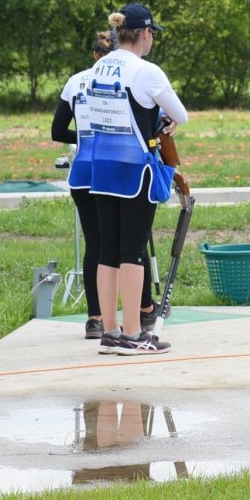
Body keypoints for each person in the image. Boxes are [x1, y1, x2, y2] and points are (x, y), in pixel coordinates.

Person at [51, 31, 166, 340]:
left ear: (95, 55)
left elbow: (57, 130)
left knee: (99, 247)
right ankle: (140, 313)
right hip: (118, 167)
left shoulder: (77, 81)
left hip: (85, 171)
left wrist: (87, 137)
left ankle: (96, 318)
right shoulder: (130, 76)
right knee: (131, 245)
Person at [88, 3, 187, 355]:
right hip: (135, 170)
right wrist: (164, 116)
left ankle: (111, 332)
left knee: (108, 251)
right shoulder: (147, 71)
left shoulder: (100, 65)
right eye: (152, 35)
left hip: (100, 166)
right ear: (145, 34)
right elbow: (181, 115)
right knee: (133, 251)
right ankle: (133, 334)